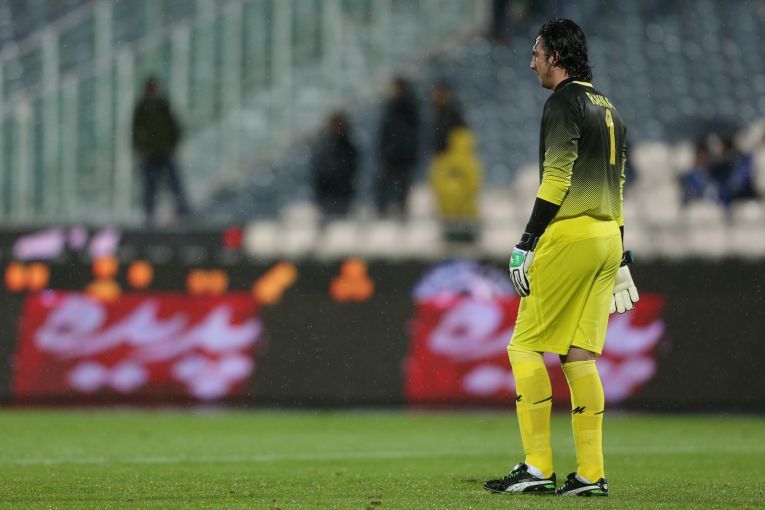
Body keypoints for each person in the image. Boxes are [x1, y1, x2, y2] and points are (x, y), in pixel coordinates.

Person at [483, 19, 638, 497]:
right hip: (607, 238)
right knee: (578, 354)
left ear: (556, 56)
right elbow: (617, 188)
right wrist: (621, 255)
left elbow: (557, 178)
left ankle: (537, 468)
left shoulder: (563, 103)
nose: (531, 62)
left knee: (524, 347)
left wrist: (526, 242)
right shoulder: (609, 109)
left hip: (571, 234)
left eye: (537, 53)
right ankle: (590, 475)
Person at [132, 77, 190, 224]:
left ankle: (183, 209)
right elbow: (135, 130)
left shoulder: (162, 105)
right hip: (150, 152)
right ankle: (149, 213)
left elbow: (173, 126)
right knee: (150, 185)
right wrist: (139, 148)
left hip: (164, 151)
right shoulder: (142, 107)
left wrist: (173, 144)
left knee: (174, 182)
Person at [375, 77, 420, 217]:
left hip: (403, 156)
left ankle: (401, 214)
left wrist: (409, 152)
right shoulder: (389, 107)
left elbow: (413, 134)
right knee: (385, 187)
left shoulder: (410, 108)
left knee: (402, 189)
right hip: (390, 155)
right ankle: (383, 213)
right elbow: (384, 133)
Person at [312, 112, 359, 217]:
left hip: (342, 194)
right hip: (327, 194)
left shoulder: (347, 146)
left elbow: (351, 169)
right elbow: (318, 169)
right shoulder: (324, 144)